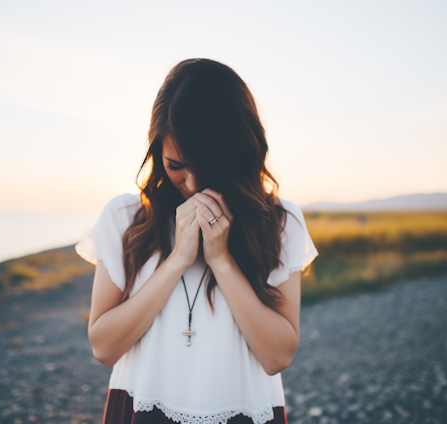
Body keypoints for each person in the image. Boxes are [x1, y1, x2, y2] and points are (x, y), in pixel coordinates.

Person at [75, 58, 319, 424]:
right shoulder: (125, 218)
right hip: (142, 409)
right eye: (175, 166)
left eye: (205, 167)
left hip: (243, 413)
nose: (190, 184)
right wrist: (176, 261)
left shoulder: (279, 221)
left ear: (238, 152)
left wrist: (221, 260)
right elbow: (104, 348)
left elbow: (278, 356)